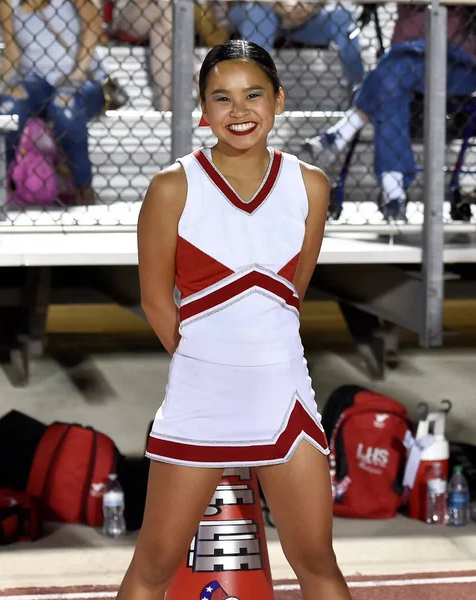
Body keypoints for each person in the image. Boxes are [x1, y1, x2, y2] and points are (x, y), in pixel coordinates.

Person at [117, 40, 351, 600]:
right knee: (153, 567)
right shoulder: (171, 188)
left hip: (284, 394)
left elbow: (290, 293)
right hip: (202, 396)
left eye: (253, 95)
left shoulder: (310, 185)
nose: (239, 110)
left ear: (279, 101)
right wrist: (209, 361)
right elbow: (154, 300)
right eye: (221, 98)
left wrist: (256, 358)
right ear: (202, 109)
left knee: (317, 560)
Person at [304, 5, 476, 222]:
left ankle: (342, 134)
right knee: (391, 87)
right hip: (403, 65)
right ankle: (394, 196)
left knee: (390, 75)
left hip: (457, 65)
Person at [0, 0, 107, 205]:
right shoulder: (7, 3)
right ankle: (2, 184)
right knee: (8, 109)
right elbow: (11, 52)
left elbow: (93, 25)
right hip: (34, 80)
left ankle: (83, 188)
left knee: (65, 110)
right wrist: (6, 86)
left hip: (81, 75)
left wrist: (77, 75)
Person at [228, 1, 364, 91]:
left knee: (342, 14)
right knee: (259, 13)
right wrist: (282, 8)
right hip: (260, 10)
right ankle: (250, 81)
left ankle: (357, 86)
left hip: (305, 15)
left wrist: (308, 8)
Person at [103, 0, 173, 111]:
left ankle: (165, 109)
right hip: (123, 12)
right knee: (164, 4)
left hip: (160, 24)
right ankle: (195, 70)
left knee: (159, 32)